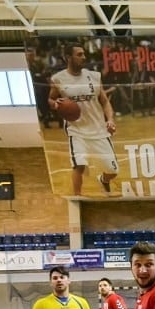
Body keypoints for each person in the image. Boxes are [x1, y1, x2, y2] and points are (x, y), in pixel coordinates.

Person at [49, 43, 118, 196]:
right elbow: (51, 99)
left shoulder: (94, 76)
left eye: (84, 54)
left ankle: (104, 180)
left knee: (113, 171)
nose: (84, 57)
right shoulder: (58, 79)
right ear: (69, 57)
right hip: (76, 130)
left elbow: (105, 101)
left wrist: (110, 119)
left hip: (98, 130)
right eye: (79, 54)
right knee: (79, 165)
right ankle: (78, 199)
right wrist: (55, 104)